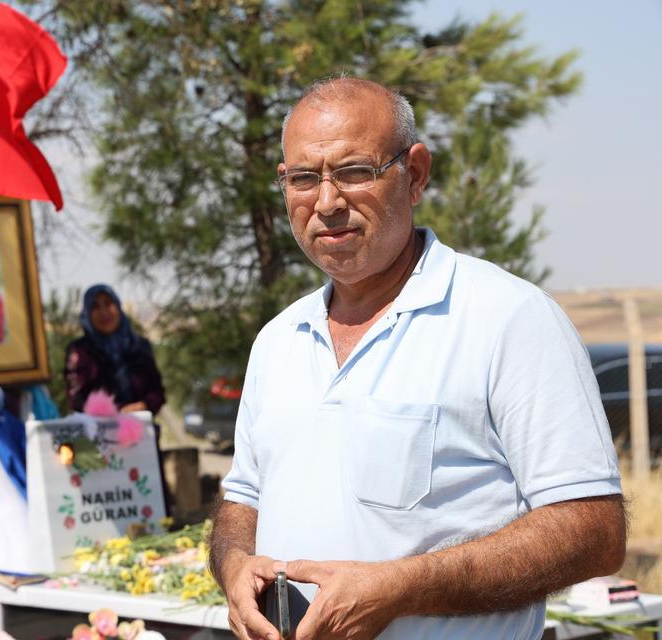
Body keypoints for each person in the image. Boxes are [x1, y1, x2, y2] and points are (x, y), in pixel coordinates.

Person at [209, 77, 626, 640]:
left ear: (416, 175)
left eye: (355, 171)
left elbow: (593, 532)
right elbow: (243, 499)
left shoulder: (508, 318)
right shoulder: (278, 341)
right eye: (303, 178)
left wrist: (399, 589)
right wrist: (233, 565)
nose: (327, 202)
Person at [64, 284, 166, 416]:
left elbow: (157, 393)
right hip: (98, 431)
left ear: (118, 306)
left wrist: (142, 405)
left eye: (108, 304)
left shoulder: (139, 346)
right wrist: (114, 411)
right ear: (87, 313)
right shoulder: (79, 351)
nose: (104, 312)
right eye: (95, 307)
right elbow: (76, 398)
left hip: (140, 430)